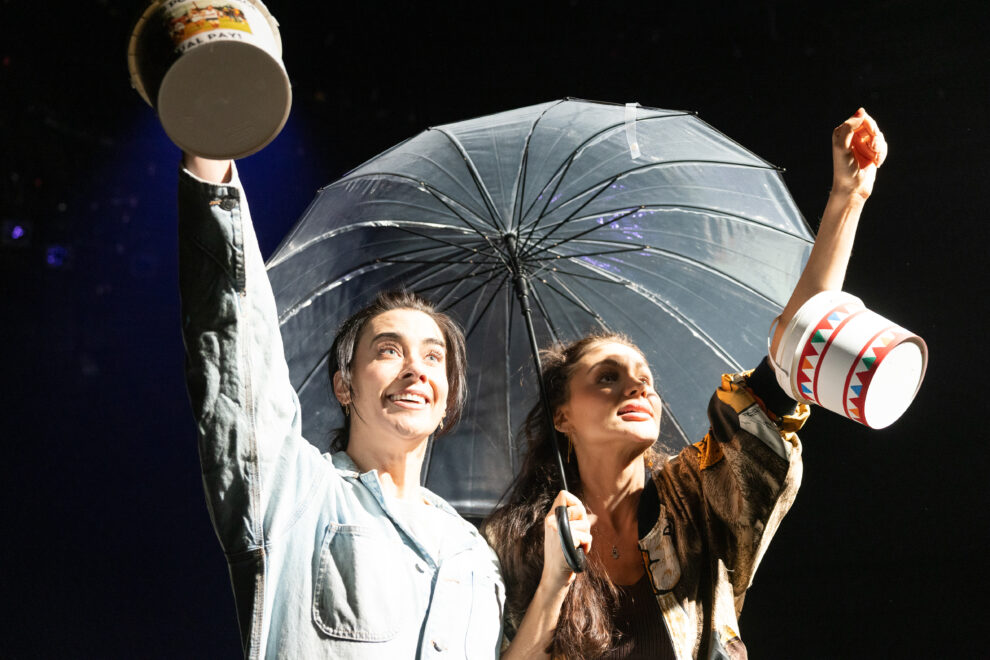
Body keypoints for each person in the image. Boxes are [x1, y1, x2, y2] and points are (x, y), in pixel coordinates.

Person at [483, 108, 887, 659]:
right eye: (608, 377)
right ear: (562, 415)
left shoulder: (697, 497)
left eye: (645, 379)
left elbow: (790, 362)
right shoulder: (510, 546)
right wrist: (554, 583)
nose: (637, 388)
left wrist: (847, 200)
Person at [177, 155, 503, 658]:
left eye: (433, 357)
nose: (415, 369)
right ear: (344, 386)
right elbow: (241, 359)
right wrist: (212, 167)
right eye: (389, 350)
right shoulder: (297, 492)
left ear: (447, 402)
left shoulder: (477, 557)